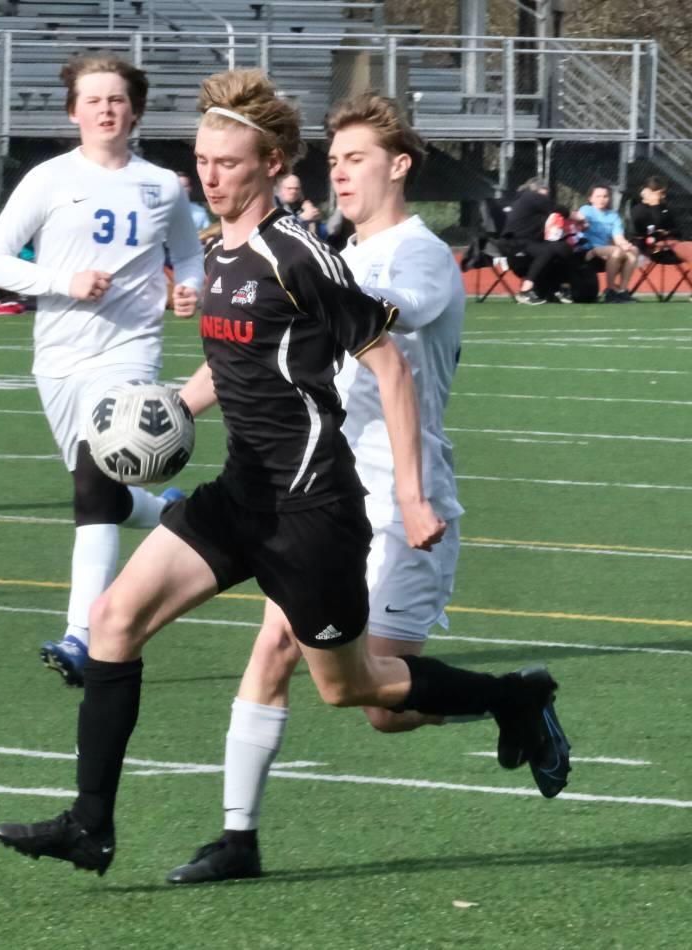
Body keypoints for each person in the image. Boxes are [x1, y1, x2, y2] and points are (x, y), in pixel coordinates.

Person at [0, 68, 571, 879]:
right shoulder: (233, 255)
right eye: (200, 160)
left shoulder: (312, 256)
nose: (208, 175)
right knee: (115, 620)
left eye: (226, 162)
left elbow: (387, 362)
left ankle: (514, 698)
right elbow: (238, 364)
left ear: (268, 165)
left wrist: (407, 490)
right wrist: (161, 416)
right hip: (243, 496)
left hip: (317, 509)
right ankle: (107, 827)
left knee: (354, 693)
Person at [165, 92, 481, 884]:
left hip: (400, 491)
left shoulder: (421, 256)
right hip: (317, 488)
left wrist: (307, 285)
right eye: (333, 159)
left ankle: (510, 699)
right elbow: (272, 347)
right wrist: (171, 407)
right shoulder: (323, 250)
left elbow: (389, 320)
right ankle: (238, 839)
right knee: (273, 645)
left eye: (357, 159)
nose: (339, 173)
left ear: (399, 166)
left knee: (377, 707)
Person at [0, 51, 203, 688]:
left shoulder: (162, 185)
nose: (106, 109)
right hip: (59, 356)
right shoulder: (48, 179)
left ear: (136, 110)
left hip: (131, 352)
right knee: (101, 490)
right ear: (74, 110)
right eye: (94, 99)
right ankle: (164, 514)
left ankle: (84, 634)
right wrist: (63, 281)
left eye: (117, 99)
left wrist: (191, 290)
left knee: (89, 486)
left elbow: (188, 259)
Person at [500, 178, 582, 305]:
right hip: (514, 242)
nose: (547, 196)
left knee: (562, 248)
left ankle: (558, 289)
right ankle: (525, 291)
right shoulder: (531, 196)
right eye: (546, 191)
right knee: (546, 251)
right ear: (538, 190)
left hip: (526, 241)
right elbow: (558, 209)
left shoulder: (526, 200)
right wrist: (579, 217)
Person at [577, 185, 638, 302]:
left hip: (605, 251)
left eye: (605, 196)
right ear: (591, 199)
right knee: (616, 251)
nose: (602, 199)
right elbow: (578, 225)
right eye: (598, 196)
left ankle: (622, 291)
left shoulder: (613, 216)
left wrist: (625, 244)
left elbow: (618, 238)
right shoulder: (586, 210)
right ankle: (610, 290)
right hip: (587, 250)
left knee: (633, 250)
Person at [629, 176, 692, 265]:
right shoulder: (638, 210)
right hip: (653, 250)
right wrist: (655, 207)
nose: (664, 196)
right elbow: (643, 233)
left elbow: (676, 230)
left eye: (664, 193)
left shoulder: (663, 208)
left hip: (670, 245)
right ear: (648, 192)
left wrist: (666, 233)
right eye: (661, 193)